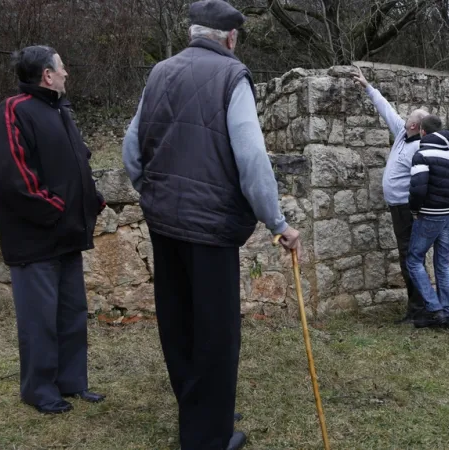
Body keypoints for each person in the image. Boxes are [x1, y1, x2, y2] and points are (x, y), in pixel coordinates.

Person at [121, 1, 301, 448]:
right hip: (211, 228)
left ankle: (200, 409)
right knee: (216, 332)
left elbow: (131, 147)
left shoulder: (160, 72)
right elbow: (253, 158)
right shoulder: (231, 75)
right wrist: (277, 221)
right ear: (231, 38)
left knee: (178, 322)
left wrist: (152, 190)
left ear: (192, 33)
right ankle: (208, 437)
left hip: (165, 223)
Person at [0, 45, 107, 414]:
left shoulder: (61, 110)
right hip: (36, 239)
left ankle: (71, 383)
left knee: (71, 315)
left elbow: (77, 163)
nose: (67, 73)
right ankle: (40, 391)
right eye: (62, 68)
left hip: (67, 235)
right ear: (47, 76)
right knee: (40, 321)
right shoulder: (12, 111)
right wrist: (56, 209)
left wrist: (91, 201)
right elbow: (13, 177)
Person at [352, 66, 430, 324]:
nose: (405, 117)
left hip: (408, 210)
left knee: (411, 258)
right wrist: (367, 86)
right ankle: (419, 307)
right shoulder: (401, 134)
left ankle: (420, 310)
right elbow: (386, 108)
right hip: (398, 208)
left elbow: (424, 182)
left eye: (410, 116)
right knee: (406, 256)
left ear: (415, 124)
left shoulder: (421, 146)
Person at [406, 115, 449, 329]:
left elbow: (418, 189)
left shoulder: (422, 154)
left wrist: (415, 209)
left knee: (414, 259)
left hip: (428, 215)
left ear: (423, 132)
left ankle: (435, 309)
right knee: (442, 264)